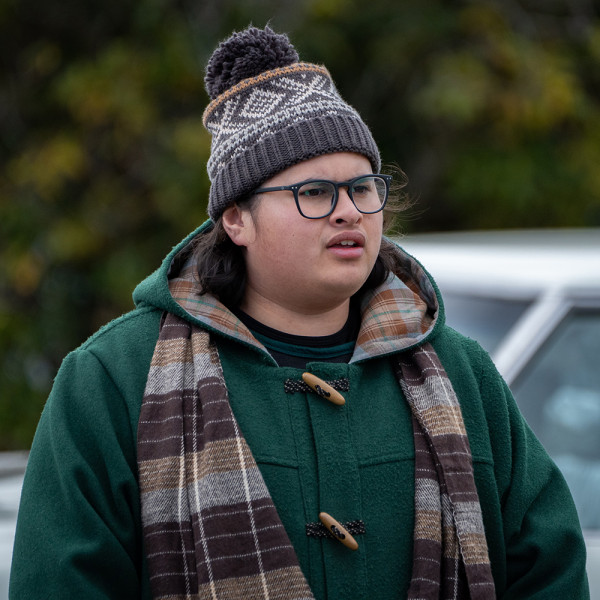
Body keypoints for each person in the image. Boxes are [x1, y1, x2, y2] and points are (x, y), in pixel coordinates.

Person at [10, 26, 589, 600]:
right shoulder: (113, 379)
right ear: (236, 219)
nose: (348, 213)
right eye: (314, 192)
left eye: (363, 188)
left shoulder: (460, 374)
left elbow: (550, 570)